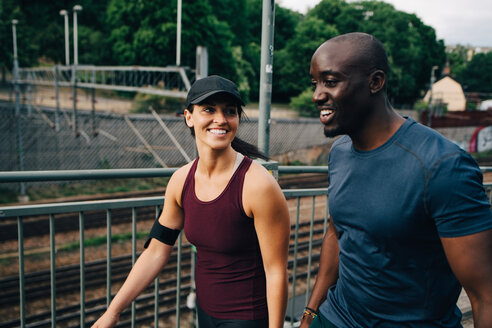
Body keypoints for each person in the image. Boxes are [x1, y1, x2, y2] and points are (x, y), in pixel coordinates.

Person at [300, 32, 492, 328]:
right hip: (334, 318)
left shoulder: (443, 166)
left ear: (375, 82)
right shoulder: (339, 151)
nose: (317, 95)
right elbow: (337, 232)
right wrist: (311, 313)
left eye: (331, 81)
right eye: (315, 83)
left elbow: (484, 296)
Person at [92, 75, 290, 328]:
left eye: (230, 111)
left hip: (247, 317)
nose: (220, 119)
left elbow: (276, 271)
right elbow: (155, 251)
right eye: (209, 109)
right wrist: (113, 310)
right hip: (204, 312)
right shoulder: (180, 181)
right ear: (189, 117)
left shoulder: (258, 185)